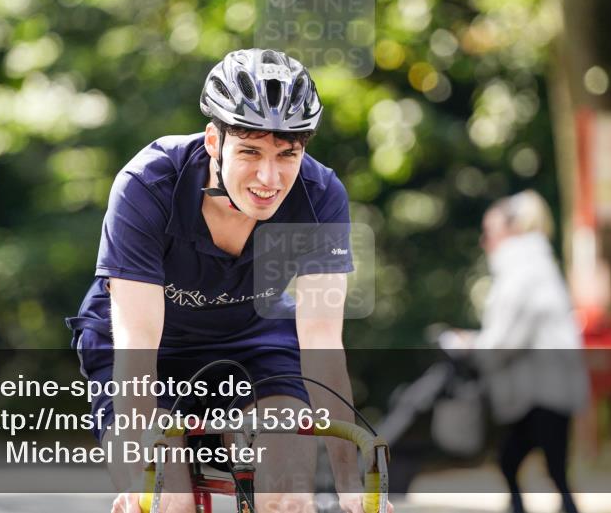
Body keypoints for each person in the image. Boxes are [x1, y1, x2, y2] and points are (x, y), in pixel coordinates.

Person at [66, 49, 389, 513]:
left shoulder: (320, 196)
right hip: (148, 350)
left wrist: (349, 486)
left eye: (287, 155)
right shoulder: (147, 184)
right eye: (250, 152)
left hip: (255, 342)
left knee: (288, 499)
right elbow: (138, 343)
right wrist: (141, 473)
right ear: (214, 141)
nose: (269, 177)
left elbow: (322, 343)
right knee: (168, 502)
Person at [449, 190, 588, 513]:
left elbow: (507, 338)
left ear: (513, 229)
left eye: (490, 231)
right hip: (544, 388)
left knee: (530, 464)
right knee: (527, 464)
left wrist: (472, 346)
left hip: (544, 391)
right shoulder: (535, 266)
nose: (484, 240)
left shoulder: (523, 272)